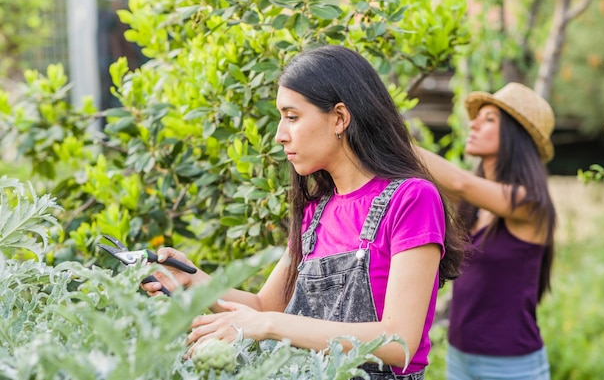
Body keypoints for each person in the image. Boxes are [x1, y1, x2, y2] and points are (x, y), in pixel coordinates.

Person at [143, 45, 466, 379]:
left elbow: (400, 343)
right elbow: (266, 307)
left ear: (340, 118)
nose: (280, 136)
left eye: (292, 117)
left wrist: (267, 325)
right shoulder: (316, 213)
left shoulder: (411, 199)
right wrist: (194, 279)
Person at [414, 82, 556, 380]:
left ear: (517, 137)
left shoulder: (530, 204)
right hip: (459, 354)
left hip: (511, 366)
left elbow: (458, 182)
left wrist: (386, 134)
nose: (474, 123)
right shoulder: (473, 207)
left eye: (489, 119)